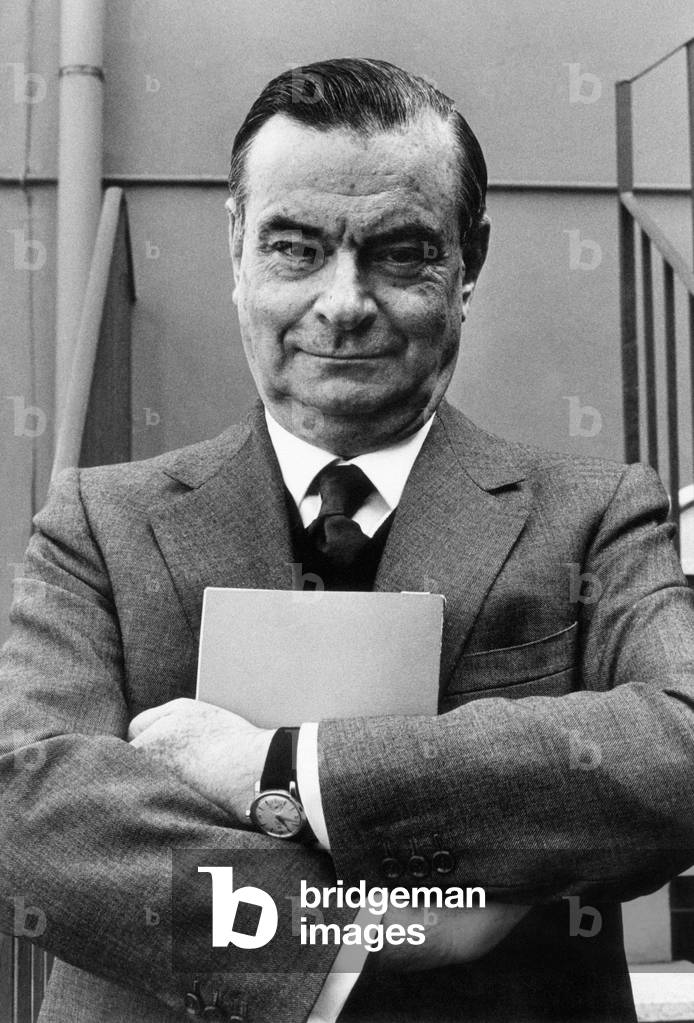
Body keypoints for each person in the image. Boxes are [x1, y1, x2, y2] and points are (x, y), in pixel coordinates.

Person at [1, 56, 693, 1023]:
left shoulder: (600, 514)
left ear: (469, 262)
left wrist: (288, 769)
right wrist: (354, 936)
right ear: (236, 248)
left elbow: (679, 748)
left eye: (401, 251)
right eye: (295, 247)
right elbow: (26, 801)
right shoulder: (96, 523)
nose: (344, 301)